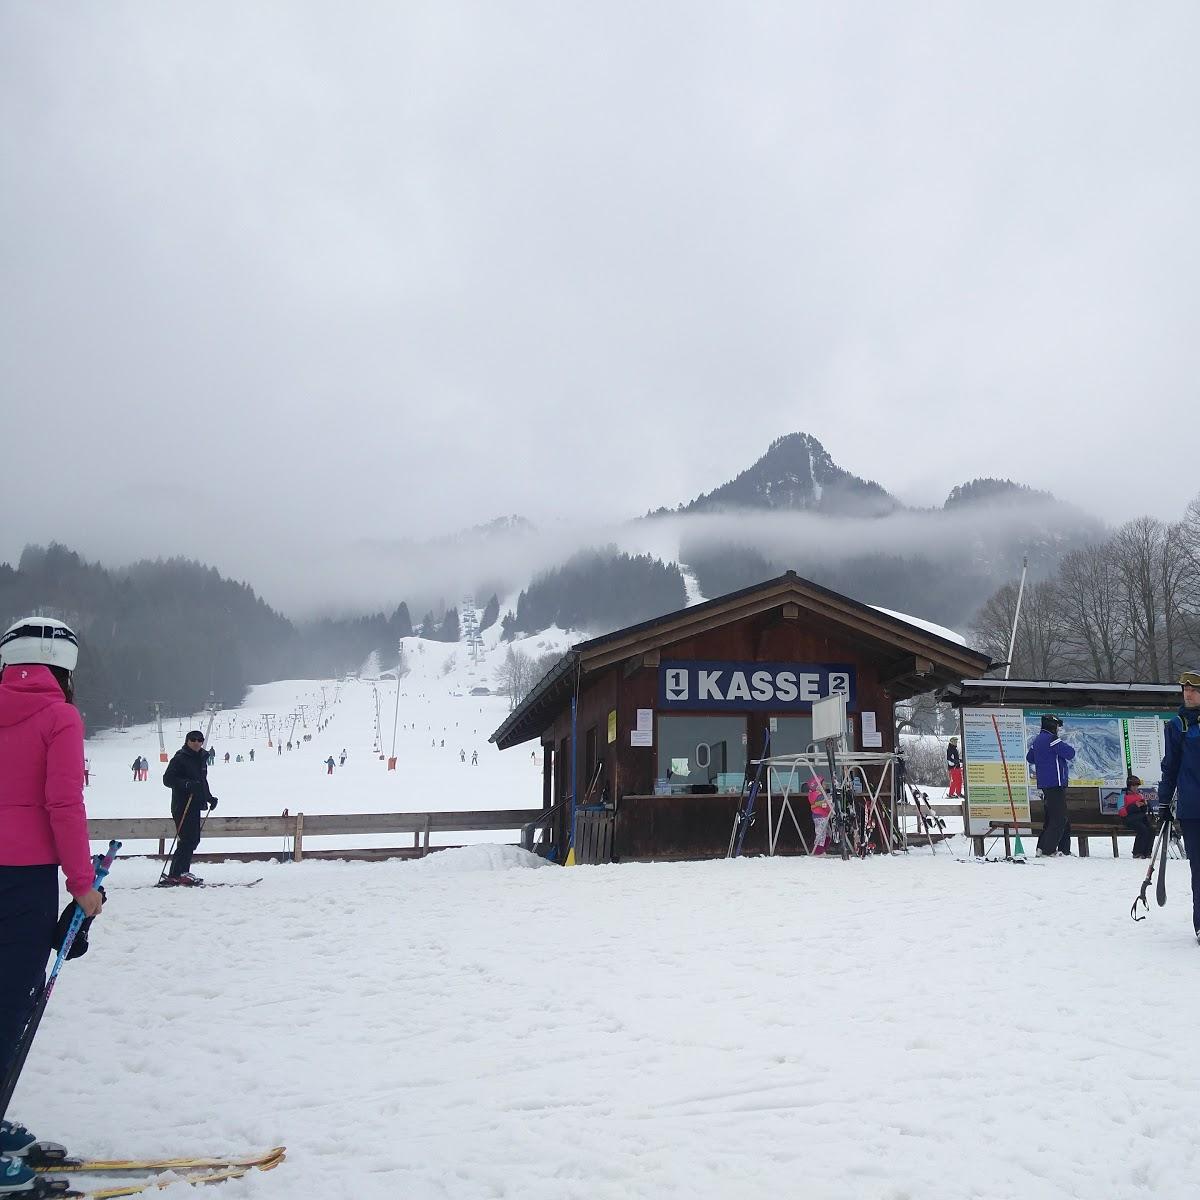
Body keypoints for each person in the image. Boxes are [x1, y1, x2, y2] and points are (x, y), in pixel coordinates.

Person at [0, 617, 104, 1186]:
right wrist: (82, 886)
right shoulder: (59, 717)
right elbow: (64, 804)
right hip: (23, 881)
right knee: (11, 1003)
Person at [1159, 669, 1200, 942]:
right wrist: (1164, 802)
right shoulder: (1177, 726)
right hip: (1192, 809)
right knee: (1198, 868)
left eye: (1194, 689)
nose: (1188, 693)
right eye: (1185, 689)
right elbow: (1170, 768)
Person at [161, 731, 218, 886]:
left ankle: (180, 873)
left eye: (200, 740)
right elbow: (168, 779)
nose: (196, 742)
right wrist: (186, 784)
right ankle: (176, 874)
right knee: (187, 839)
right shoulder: (180, 758)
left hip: (195, 804)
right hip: (182, 805)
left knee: (193, 839)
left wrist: (209, 798)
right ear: (187, 741)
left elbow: (201, 782)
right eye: (193, 740)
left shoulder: (200, 758)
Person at [1026, 714, 1076, 857]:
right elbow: (1070, 753)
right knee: (1059, 819)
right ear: (1052, 726)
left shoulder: (1037, 740)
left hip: (1045, 784)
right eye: (1057, 726)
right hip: (1056, 783)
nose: (1058, 729)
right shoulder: (1052, 739)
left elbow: (1030, 758)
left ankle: (1052, 848)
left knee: (1054, 818)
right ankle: (1048, 850)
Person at [1118, 774, 1154, 859]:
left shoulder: (1140, 795)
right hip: (1129, 819)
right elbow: (1121, 812)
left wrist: (1144, 805)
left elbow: (1143, 811)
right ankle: (1137, 852)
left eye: (1136, 785)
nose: (1135, 787)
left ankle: (1147, 852)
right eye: (1133, 785)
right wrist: (1135, 805)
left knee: (1151, 829)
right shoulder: (1123, 796)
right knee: (1143, 829)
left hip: (1140, 818)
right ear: (1129, 786)